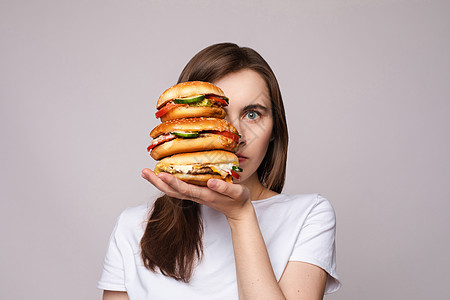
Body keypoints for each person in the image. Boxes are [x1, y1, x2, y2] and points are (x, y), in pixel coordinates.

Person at [98, 42, 341, 299]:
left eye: (252, 114)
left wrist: (241, 217)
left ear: (274, 130)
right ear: (181, 121)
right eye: (217, 115)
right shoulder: (136, 226)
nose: (236, 136)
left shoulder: (309, 216)